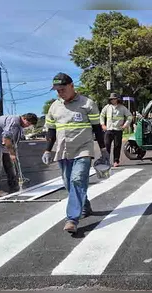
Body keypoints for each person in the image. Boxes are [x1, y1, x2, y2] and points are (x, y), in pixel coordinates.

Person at [42, 72, 109, 233]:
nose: (60, 92)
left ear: (72, 86)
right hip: (63, 151)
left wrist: (103, 149)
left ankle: (72, 219)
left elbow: (97, 129)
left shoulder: (87, 103)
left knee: (77, 180)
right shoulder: (54, 107)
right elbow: (51, 130)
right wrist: (47, 150)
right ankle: (85, 206)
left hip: (83, 149)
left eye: (62, 89)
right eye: (57, 90)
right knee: (68, 183)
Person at [0, 113, 38, 197]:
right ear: (24, 119)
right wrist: (11, 153)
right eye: (28, 124)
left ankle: (14, 186)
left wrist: (13, 151)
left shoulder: (20, 125)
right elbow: (6, 138)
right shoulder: (13, 122)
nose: (28, 126)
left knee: (10, 164)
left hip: (0, 142)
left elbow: (13, 139)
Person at [100, 93, 132, 167]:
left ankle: (116, 161)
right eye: (111, 99)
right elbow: (101, 115)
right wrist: (102, 124)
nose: (112, 100)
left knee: (117, 146)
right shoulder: (107, 107)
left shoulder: (122, 108)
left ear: (117, 99)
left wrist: (125, 125)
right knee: (106, 146)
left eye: (114, 99)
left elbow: (129, 116)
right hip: (109, 129)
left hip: (118, 130)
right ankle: (106, 161)